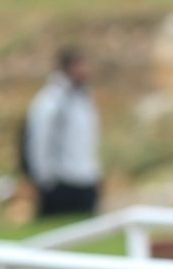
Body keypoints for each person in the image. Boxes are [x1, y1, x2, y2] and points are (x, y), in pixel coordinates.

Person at [23, 47, 101, 219]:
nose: (86, 70)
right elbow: (39, 141)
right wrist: (45, 180)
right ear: (68, 68)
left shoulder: (84, 97)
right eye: (81, 65)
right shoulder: (50, 100)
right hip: (61, 183)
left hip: (86, 180)